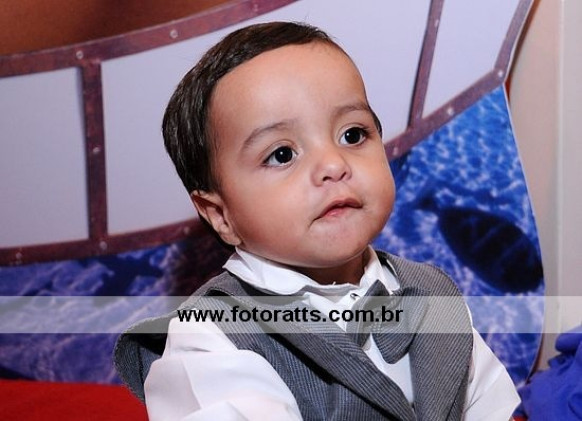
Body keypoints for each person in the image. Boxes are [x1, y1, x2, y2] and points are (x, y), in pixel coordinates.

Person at [115, 21, 520, 420]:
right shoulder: (211, 342)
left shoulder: (433, 294)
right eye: (282, 155)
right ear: (221, 215)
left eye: (352, 135)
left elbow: (491, 407)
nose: (332, 164)